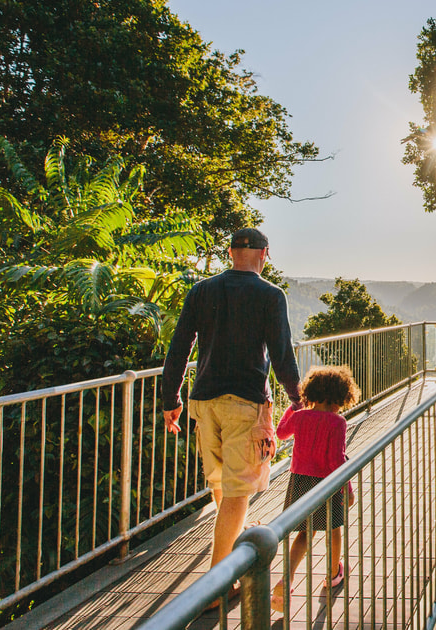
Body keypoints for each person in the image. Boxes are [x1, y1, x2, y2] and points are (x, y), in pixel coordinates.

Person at [160, 227, 301, 608]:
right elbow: (282, 353)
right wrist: (297, 398)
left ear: (230, 252)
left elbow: (180, 345)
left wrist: (170, 398)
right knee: (239, 492)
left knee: (222, 482)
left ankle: (230, 557)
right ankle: (216, 586)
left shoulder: (202, 290)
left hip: (203, 400)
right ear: (264, 254)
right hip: (246, 402)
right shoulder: (271, 295)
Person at [271, 365, 360, 613]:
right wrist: (348, 489)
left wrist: (294, 406)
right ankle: (333, 573)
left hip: (299, 483)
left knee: (304, 534)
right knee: (333, 529)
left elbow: (281, 433)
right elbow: (336, 461)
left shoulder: (300, 417)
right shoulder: (337, 422)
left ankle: (286, 580)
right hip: (326, 485)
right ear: (339, 398)